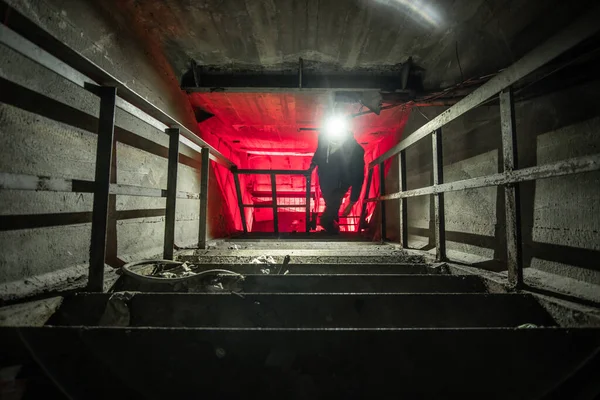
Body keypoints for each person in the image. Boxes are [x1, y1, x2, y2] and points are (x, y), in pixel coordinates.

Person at [309, 129, 365, 233]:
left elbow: (358, 176)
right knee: (331, 205)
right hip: (325, 182)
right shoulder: (325, 139)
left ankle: (330, 227)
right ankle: (333, 228)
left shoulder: (355, 150)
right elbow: (320, 152)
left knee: (331, 208)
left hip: (340, 184)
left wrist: (352, 202)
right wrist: (313, 164)